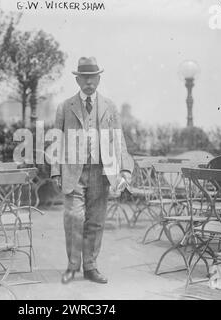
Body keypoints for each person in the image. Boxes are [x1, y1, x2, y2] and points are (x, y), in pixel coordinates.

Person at [51, 57, 134, 284]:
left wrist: (125, 169)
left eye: (93, 77)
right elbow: (56, 142)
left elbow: (119, 141)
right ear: (77, 80)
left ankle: (90, 267)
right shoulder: (65, 107)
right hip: (73, 172)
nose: (89, 82)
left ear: (99, 78)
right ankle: (72, 266)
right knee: (74, 218)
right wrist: (56, 171)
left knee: (96, 221)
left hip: (101, 172)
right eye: (84, 77)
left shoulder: (110, 107)